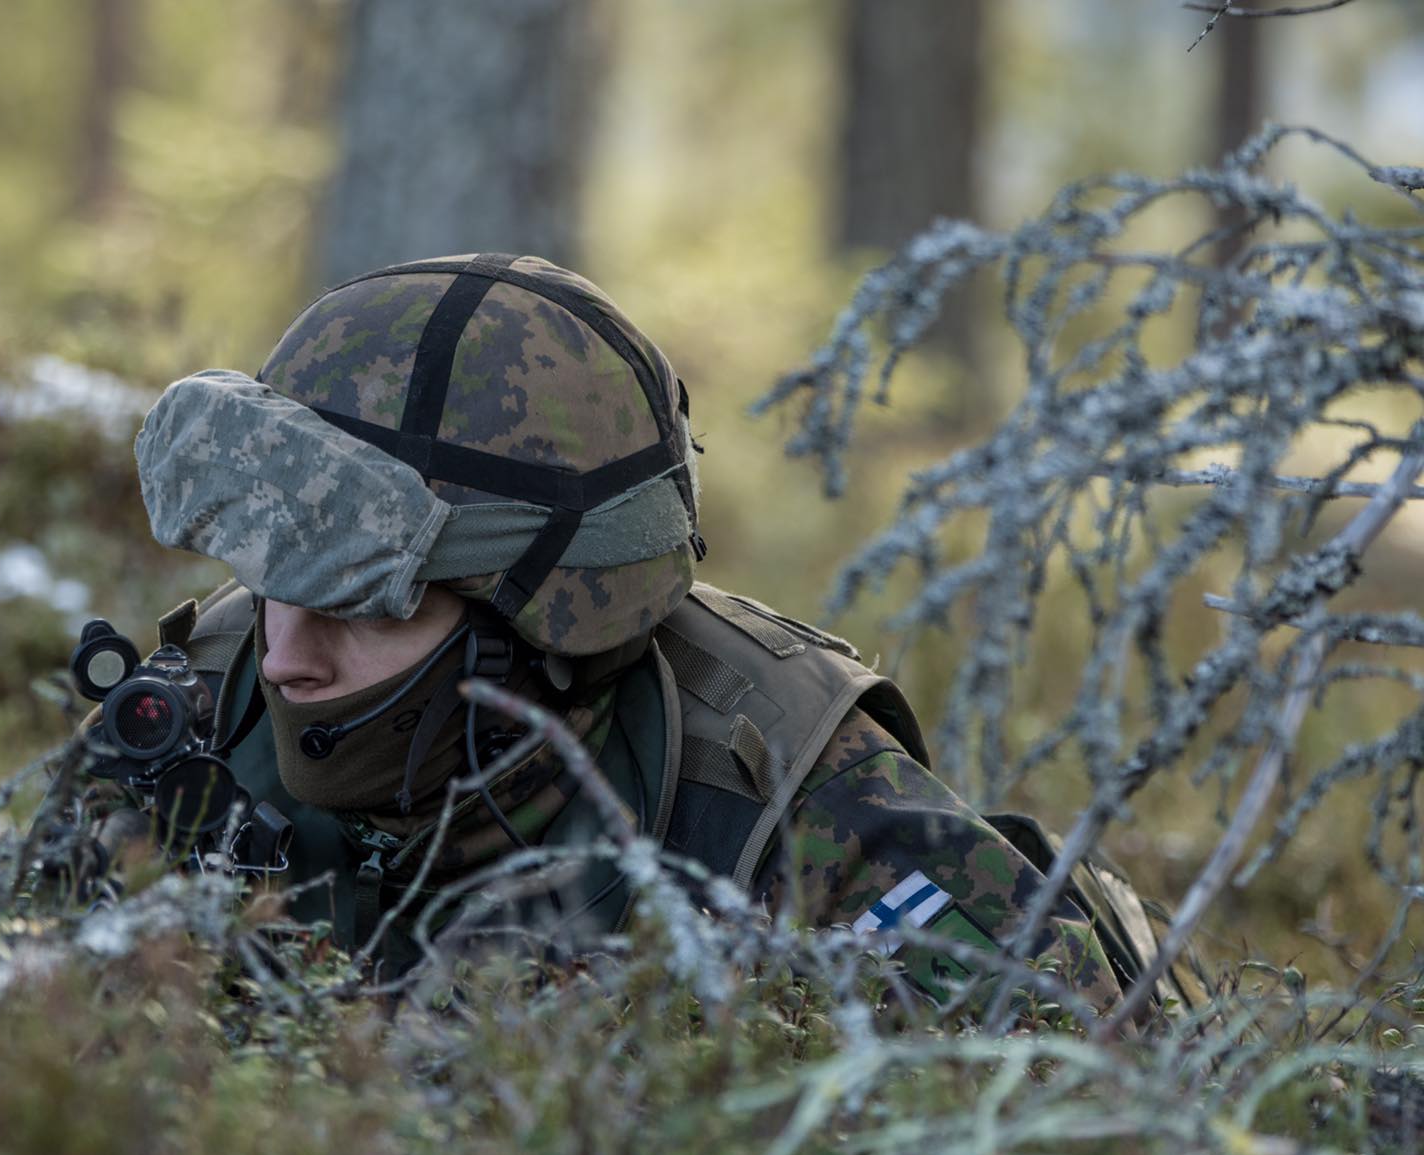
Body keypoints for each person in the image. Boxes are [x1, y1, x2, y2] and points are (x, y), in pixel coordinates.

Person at [124, 252, 1175, 1015]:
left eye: (361, 600)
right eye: (266, 581)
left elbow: (1088, 1118)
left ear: (541, 622)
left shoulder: (781, 786)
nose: (284, 654)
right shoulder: (193, 710)